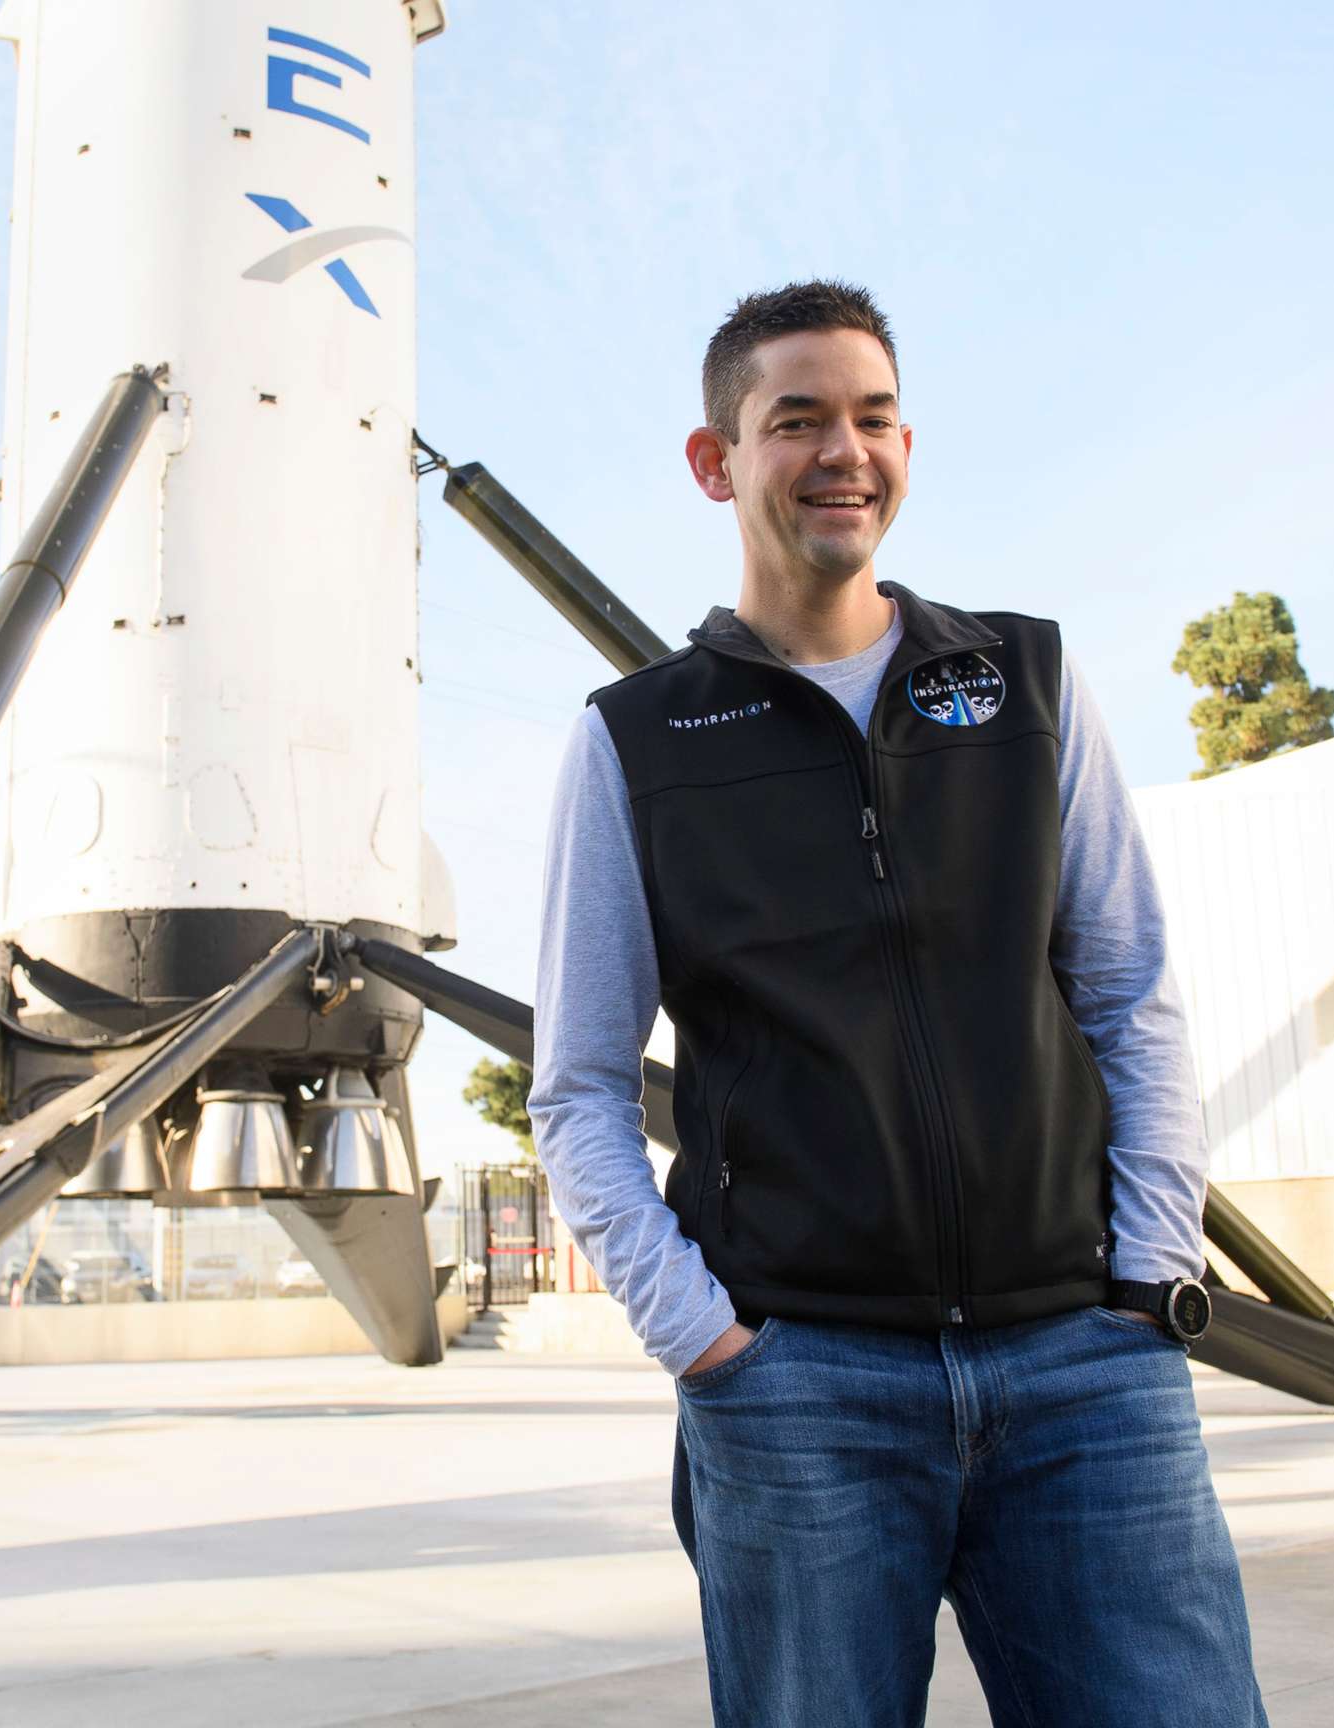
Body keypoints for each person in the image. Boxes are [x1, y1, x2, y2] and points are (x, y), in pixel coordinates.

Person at [530, 280, 1266, 1726]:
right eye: (794, 419)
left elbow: (1129, 994)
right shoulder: (639, 741)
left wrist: (1146, 1271)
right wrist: (706, 1341)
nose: (840, 452)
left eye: (870, 419)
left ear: (907, 447)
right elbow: (578, 1087)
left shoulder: (1022, 681)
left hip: (1086, 1372)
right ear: (715, 460)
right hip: (801, 1392)